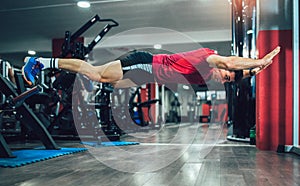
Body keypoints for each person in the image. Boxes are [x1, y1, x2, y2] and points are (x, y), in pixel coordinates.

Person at [22, 46, 280, 88]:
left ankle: (77, 78)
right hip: (145, 63)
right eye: (226, 75)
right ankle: (41, 62)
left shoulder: (206, 79)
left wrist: (257, 71)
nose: (225, 77)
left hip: (146, 76)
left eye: (228, 80)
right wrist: (260, 60)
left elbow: (238, 73)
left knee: (109, 83)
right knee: (97, 73)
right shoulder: (208, 57)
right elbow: (232, 63)